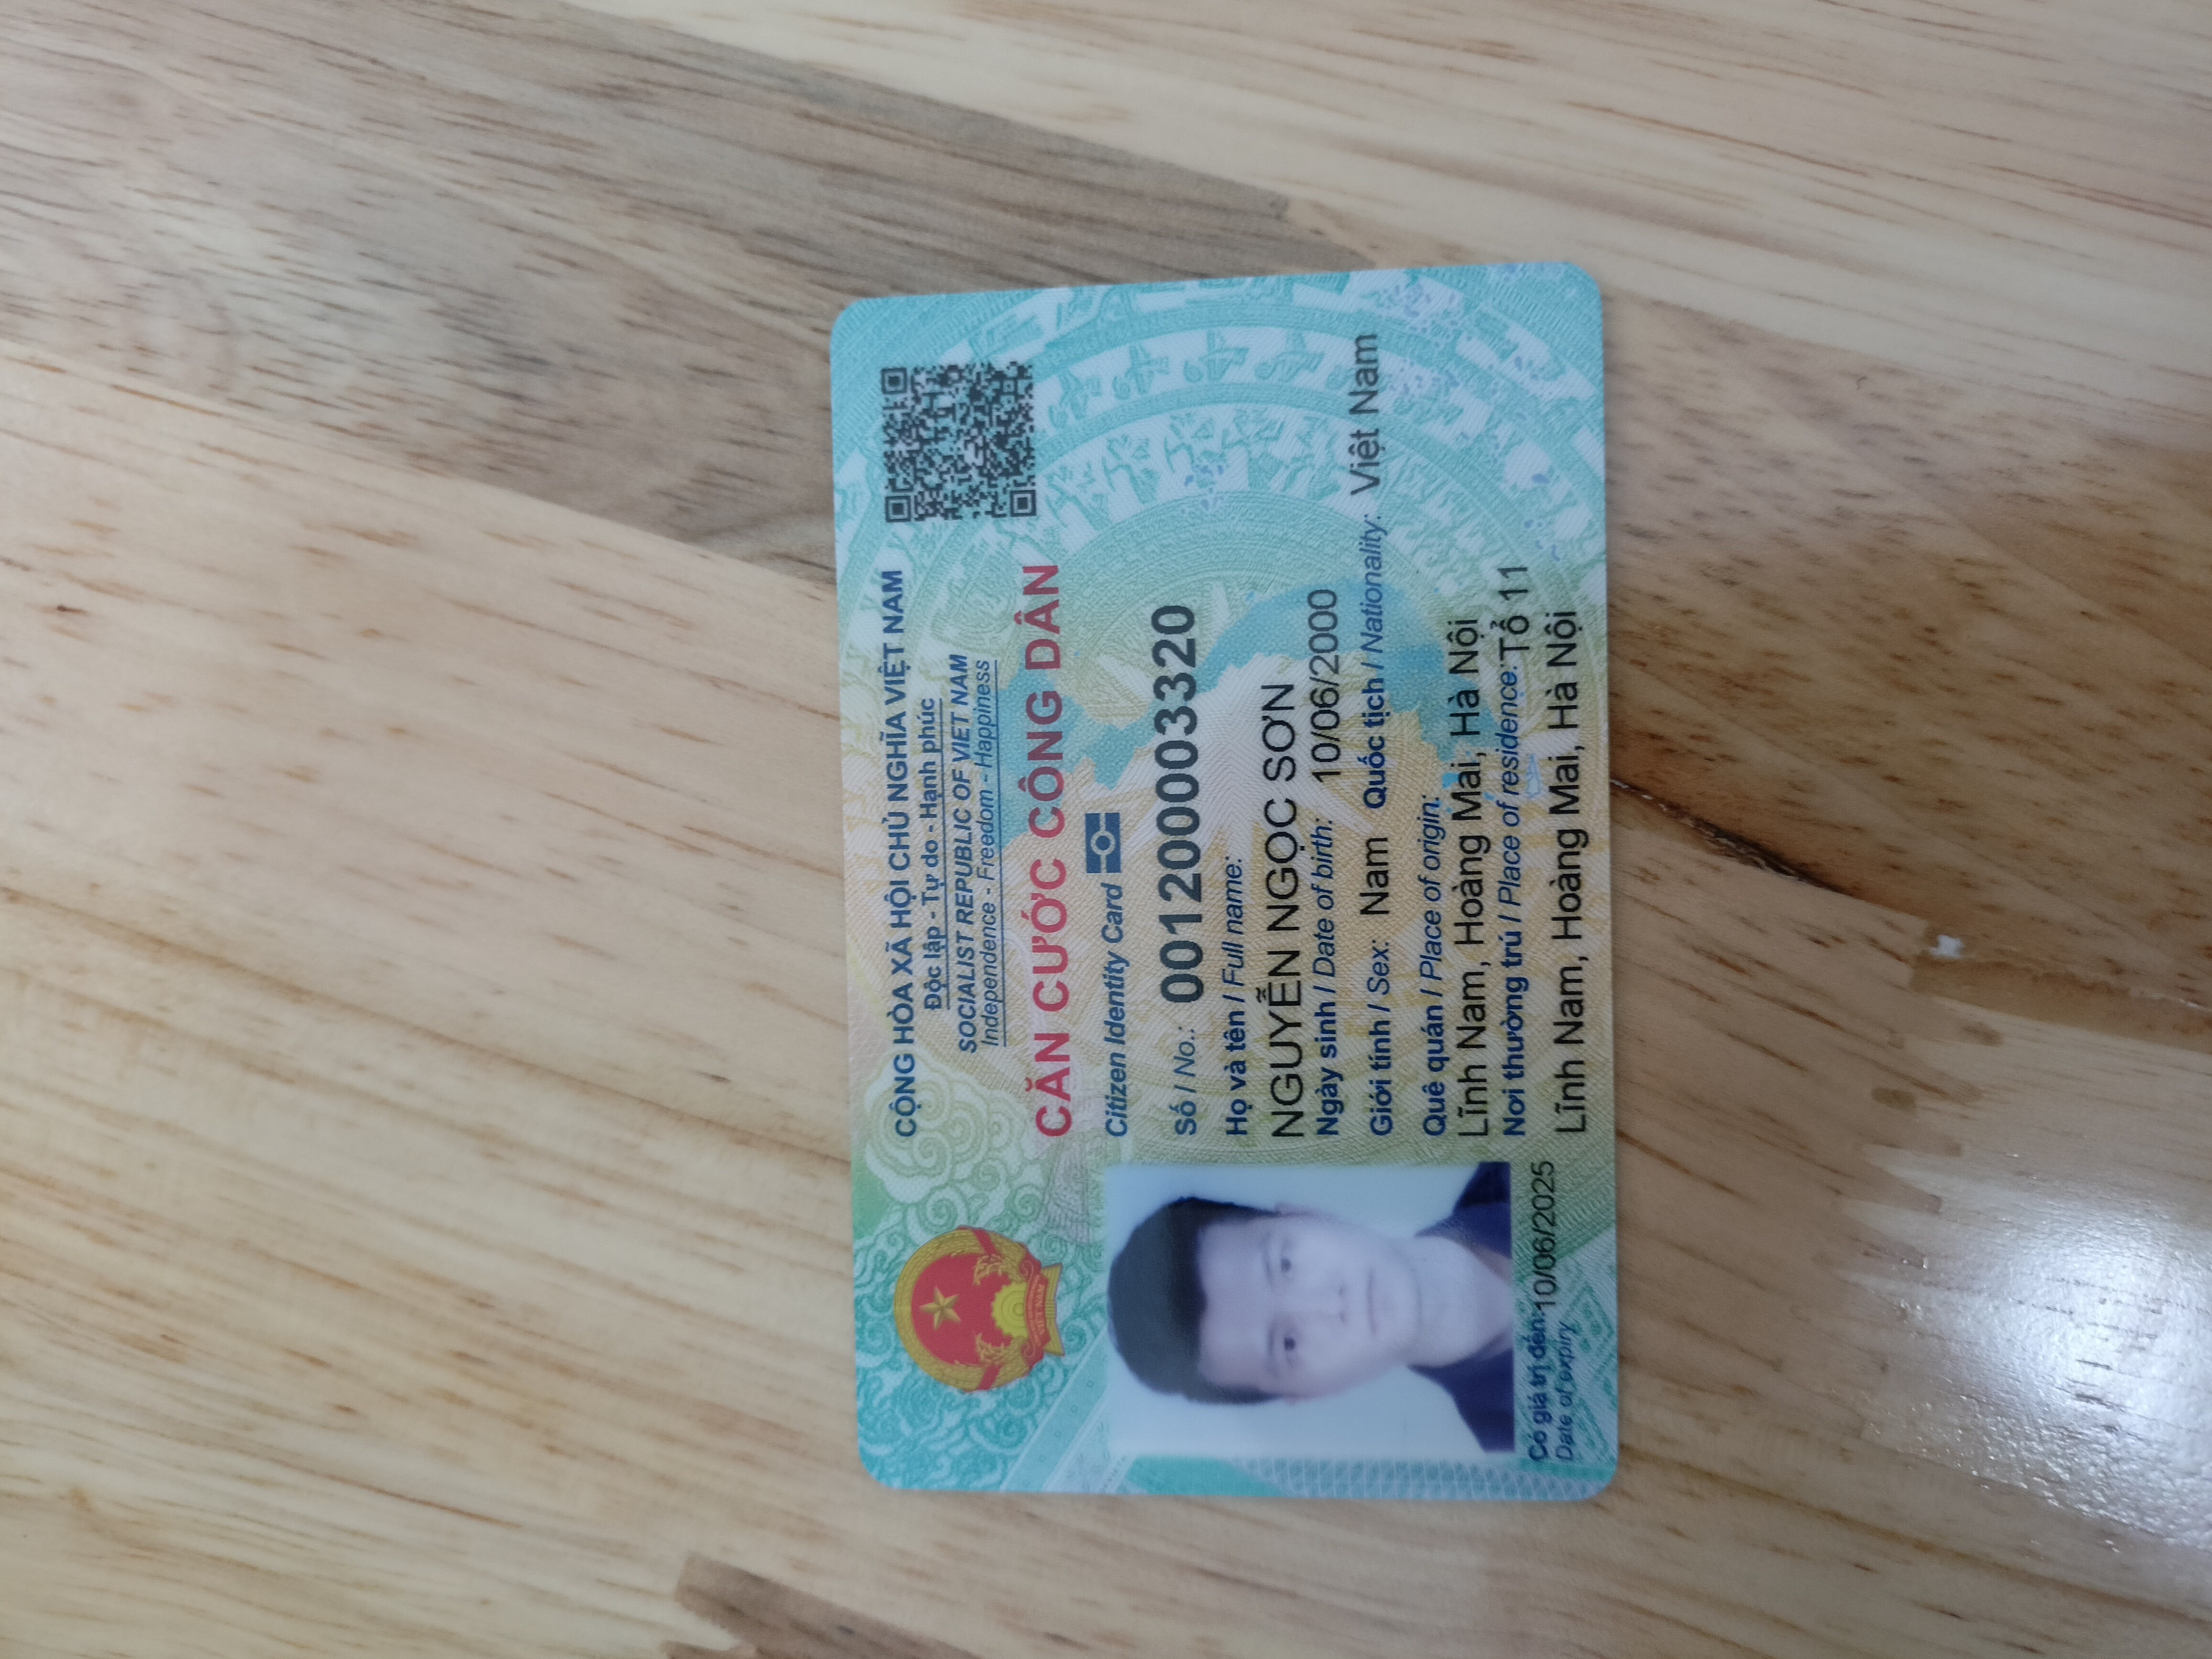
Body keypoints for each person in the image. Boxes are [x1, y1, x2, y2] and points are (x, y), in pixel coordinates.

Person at [1107, 1165, 1514, 1451]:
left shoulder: (1523, 1145)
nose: (1326, 1305)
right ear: (1308, 1394)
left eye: (1285, 1265)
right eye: (1288, 1344)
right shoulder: (1520, 1449)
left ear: (1305, 1214)